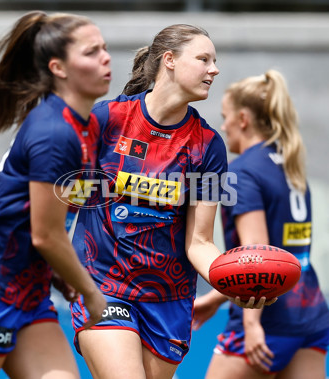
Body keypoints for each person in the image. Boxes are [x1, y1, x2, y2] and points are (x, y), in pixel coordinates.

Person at [69, 24, 274, 379]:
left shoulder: (208, 146)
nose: (215, 69)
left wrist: (233, 283)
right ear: (170, 61)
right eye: (204, 59)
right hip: (102, 285)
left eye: (215, 60)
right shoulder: (106, 120)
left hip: (168, 300)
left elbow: (200, 242)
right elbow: (67, 204)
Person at [0, 11, 110, 379]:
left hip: (30, 296)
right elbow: (46, 234)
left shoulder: (85, 125)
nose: (106, 58)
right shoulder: (54, 132)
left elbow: (39, 223)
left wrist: (60, 272)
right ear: (58, 68)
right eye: (92, 52)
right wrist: (90, 291)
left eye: (104, 48)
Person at [192, 70, 329, 378]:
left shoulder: (242, 172)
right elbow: (280, 257)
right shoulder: (288, 163)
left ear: (243, 119)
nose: (223, 125)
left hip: (268, 323)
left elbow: (256, 264)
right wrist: (214, 300)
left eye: (225, 116)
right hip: (310, 315)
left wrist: (252, 325)